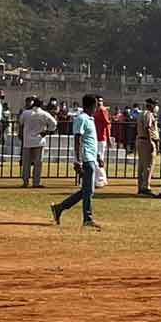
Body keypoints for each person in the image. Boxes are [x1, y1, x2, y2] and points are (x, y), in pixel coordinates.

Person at [51, 94, 102, 228]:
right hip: (86, 158)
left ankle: (59, 208)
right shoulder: (81, 119)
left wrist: (98, 156)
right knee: (88, 191)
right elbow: (77, 140)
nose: (96, 108)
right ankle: (87, 218)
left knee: (86, 190)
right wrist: (78, 160)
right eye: (95, 106)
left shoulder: (90, 119)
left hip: (91, 157)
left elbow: (91, 140)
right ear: (91, 106)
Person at [19, 97, 57, 188]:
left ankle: (25, 181)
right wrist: (47, 131)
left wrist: (21, 133)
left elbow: (20, 123)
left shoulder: (26, 113)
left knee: (26, 163)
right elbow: (54, 123)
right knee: (38, 163)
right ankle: (36, 182)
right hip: (39, 140)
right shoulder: (44, 114)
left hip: (27, 140)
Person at [135, 99, 159, 195]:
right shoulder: (148, 114)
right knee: (148, 165)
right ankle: (146, 187)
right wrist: (150, 143)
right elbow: (148, 128)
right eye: (155, 105)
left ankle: (141, 186)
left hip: (141, 140)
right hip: (147, 141)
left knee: (142, 165)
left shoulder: (142, 113)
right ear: (151, 105)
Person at [94, 95, 111, 159]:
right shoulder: (95, 110)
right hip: (95, 135)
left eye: (101, 101)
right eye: (98, 100)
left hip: (101, 136)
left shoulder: (102, 110)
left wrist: (108, 137)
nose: (100, 102)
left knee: (100, 156)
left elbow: (107, 123)